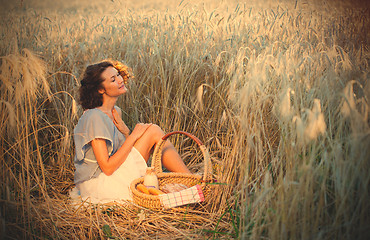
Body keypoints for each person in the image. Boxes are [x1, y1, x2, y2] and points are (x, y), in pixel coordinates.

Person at [71, 60, 190, 204]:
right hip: (98, 185)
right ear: (101, 89)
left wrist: (127, 133)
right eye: (113, 79)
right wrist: (133, 136)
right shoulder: (94, 116)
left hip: (114, 175)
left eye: (118, 75)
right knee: (153, 130)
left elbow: (124, 154)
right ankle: (191, 180)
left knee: (153, 131)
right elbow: (107, 168)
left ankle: (189, 180)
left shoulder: (115, 112)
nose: (120, 80)